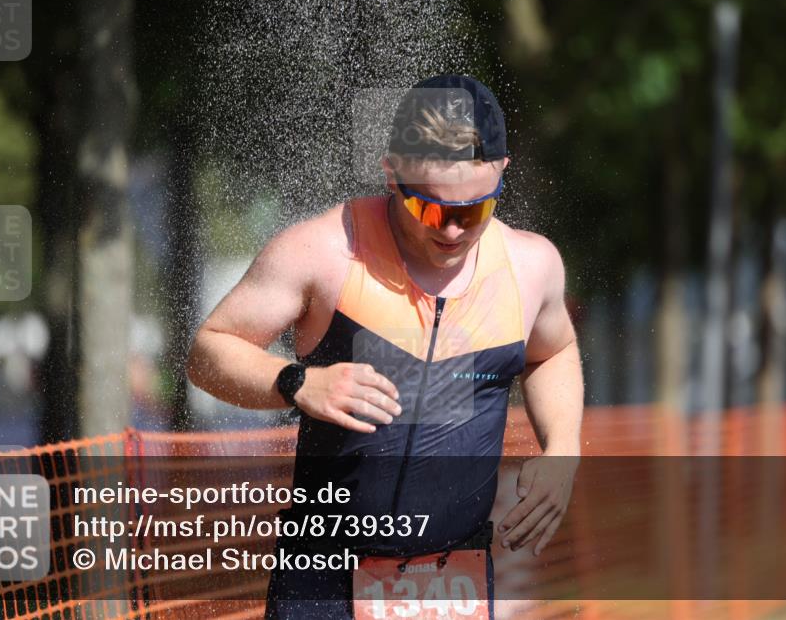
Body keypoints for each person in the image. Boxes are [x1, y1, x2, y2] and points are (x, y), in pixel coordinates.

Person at [187, 74, 584, 619]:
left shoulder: (530, 266)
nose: (450, 232)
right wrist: (298, 382)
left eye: (473, 213)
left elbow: (552, 352)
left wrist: (563, 449)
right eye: (429, 209)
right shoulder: (323, 253)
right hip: (323, 583)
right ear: (392, 173)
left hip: (454, 584)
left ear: (501, 174)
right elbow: (209, 351)